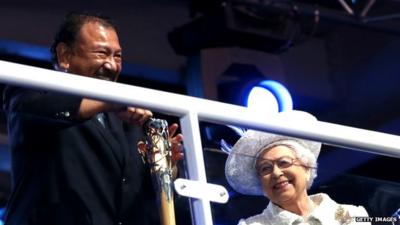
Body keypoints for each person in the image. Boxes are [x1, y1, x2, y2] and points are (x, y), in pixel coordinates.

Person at [2, 12, 183, 225]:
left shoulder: (130, 123)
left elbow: (137, 205)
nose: (112, 65)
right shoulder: (33, 90)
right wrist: (111, 101)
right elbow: (38, 110)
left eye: (117, 56)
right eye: (101, 53)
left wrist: (163, 170)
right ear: (65, 56)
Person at [225, 110, 371, 225]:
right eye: (265, 169)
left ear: (306, 168)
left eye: (284, 163)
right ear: (260, 184)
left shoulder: (351, 216)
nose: (276, 173)